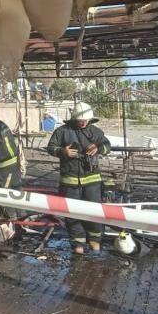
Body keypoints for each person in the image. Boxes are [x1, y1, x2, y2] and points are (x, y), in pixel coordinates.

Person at [47, 102, 112, 254]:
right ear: (74, 118)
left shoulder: (95, 132)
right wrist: (62, 152)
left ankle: (95, 244)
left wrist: (98, 148)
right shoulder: (62, 131)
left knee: (94, 213)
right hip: (69, 182)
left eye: (86, 120)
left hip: (92, 181)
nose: (83, 123)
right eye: (80, 120)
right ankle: (78, 247)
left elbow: (107, 146)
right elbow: (51, 147)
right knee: (72, 215)